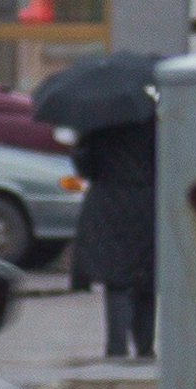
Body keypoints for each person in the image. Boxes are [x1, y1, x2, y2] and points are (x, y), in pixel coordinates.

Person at [68, 108, 158, 361]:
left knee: (117, 278)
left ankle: (116, 348)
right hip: (146, 203)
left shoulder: (98, 123)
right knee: (147, 277)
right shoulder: (151, 120)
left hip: (107, 203)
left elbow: (84, 166)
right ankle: (145, 347)